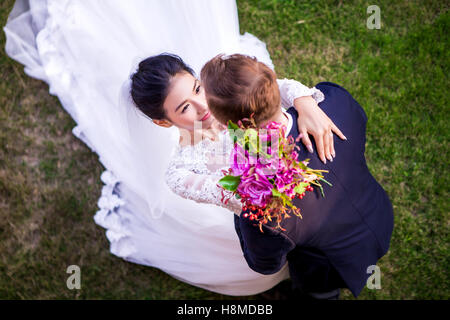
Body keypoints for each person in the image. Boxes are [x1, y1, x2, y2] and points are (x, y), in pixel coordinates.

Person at [4, 0, 343, 295]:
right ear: (164, 123)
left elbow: (275, 86)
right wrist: (271, 175)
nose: (203, 106)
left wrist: (305, 101)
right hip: (266, 217)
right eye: (184, 108)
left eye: (196, 88)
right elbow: (240, 199)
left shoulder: (220, 95)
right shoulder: (182, 172)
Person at [199, 54, 394, 299]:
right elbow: (341, 102)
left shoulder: (262, 199)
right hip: (379, 211)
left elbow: (265, 263)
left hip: (329, 266)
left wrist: (240, 212)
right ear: (272, 80)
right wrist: (305, 102)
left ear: (233, 125)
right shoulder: (335, 103)